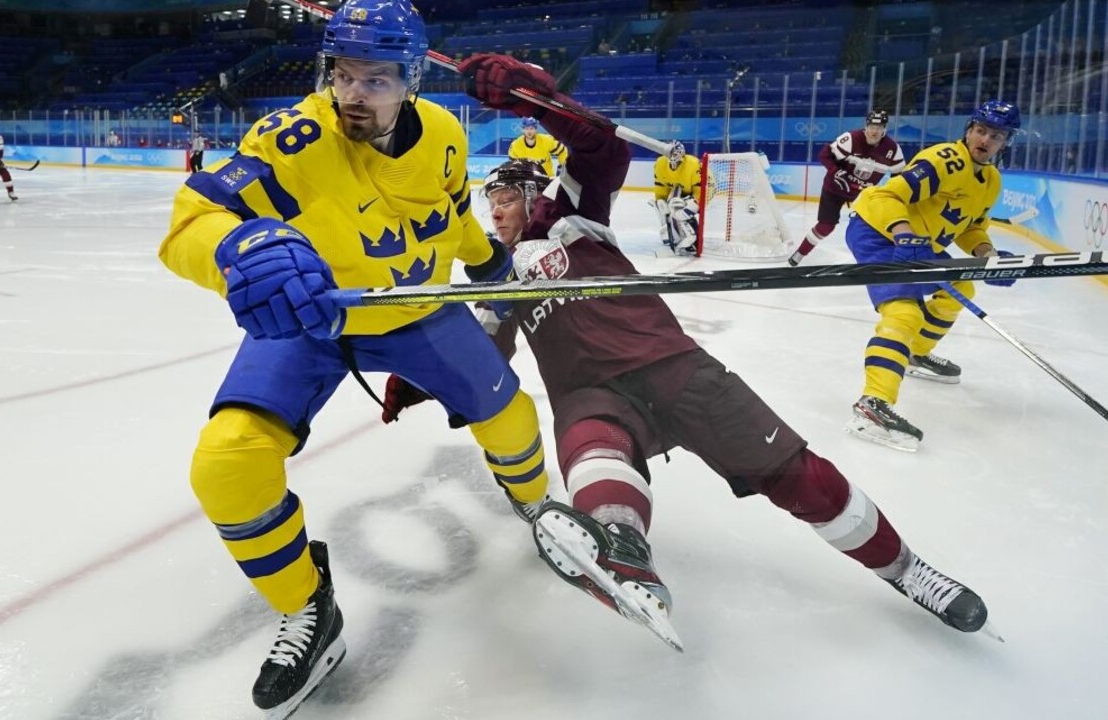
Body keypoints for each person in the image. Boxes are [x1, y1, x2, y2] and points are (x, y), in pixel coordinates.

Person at [384, 52, 993, 649]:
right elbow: (482, 356)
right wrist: (421, 371)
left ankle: (908, 571)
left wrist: (529, 95)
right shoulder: (496, 279)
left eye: (508, 196)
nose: (496, 210)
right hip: (589, 393)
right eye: (490, 201)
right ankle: (623, 550)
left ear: (535, 195)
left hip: (672, 366)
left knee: (796, 475)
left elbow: (602, 148)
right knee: (588, 448)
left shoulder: (571, 217)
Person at [156, 3, 549, 717]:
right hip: (315, 320)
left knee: (512, 417)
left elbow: (449, 217)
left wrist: (491, 264)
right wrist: (235, 249)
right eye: (342, 74)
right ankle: (309, 606)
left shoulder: (446, 135)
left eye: (375, 80)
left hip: (419, 311)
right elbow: (190, 221)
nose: (352, 95)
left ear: (412, 83)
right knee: (226, 462)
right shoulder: (294, 138)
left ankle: (538, 507)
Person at [844, 100, 1022, 451]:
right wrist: (902, 232)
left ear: (1005, 143)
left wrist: (990, 256)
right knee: (904, 311)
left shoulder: (990, 180)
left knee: (961, 286)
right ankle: (872, 404)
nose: (985, 140)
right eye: (981, 131)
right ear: (969, 130)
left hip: (918, 242)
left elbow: (971, 229)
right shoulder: (945, 160)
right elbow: (885, 196)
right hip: (877, 230)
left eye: (996, 136)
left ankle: (915, 353)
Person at [788, 109, 904, 266]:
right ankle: (800, 253)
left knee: (877, 226)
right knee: (826, 226)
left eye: (879, 127)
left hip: (863, 195)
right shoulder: (851, 139)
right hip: (834, 189)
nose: (874, 131)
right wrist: (836, 171)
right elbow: (824, 155)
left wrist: (892, 194)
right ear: (866, 126)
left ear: (885, 128)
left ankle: (885, 260)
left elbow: (899, 175)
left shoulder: (893, 150)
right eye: (871, 127)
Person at [651, 140, 701, 252]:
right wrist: (660, 201)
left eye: (675, 154)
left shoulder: (693, 164)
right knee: (663, 206)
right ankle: (673, 234)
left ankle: (692, 237)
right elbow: (661, 187)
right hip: (680, 189)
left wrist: (694, 202)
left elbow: (701, 190)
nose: (673, 158)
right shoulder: (660, 163)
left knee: (681, 211)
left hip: (703, 191)